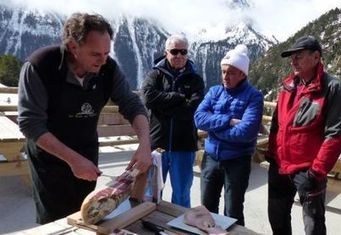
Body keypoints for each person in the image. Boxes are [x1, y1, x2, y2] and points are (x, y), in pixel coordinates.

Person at [17, 12, 152, 224]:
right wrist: (73, 160)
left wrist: (145, 144)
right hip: (49, 159)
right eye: (96, 54)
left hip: (86, 152)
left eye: (107, 53)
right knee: (56, 222)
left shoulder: (108, 69)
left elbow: (132, 104)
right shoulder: (40, 66)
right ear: (73, 47)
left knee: (89, 216)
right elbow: (30, 124)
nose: (104, 60)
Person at [266, 35, 341, 235]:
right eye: (292, 57)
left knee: (313, 226)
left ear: (316, 57)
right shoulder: (289, 86)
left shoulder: (331, 88)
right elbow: (277, 124)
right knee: (277, 219)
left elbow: (335, 136)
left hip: (308, 170)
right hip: (280, 165)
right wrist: (272, 154)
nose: (293, 61)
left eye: (299, 56)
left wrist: (316, 172)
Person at [194, 44, 263, 226]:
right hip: (211, 158)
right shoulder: (215, 91)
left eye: (231, 72)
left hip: (237, 161)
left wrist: (214, 129)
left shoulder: (253, 96)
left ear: (242, 74)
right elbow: (199, 119)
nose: (225, 76)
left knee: (233, 211)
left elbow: (245, 133)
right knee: (206, 209)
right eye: (223, 71)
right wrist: (228, 121)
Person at [141, 34, 204, 208]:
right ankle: (149, 224)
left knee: (182, 194)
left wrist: (162, 106)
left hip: (183, 147)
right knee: (151, 194)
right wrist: (178, 97)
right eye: (174, 51)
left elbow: (192, 110)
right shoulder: (155, 74)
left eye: (183, 51)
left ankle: (180, 229)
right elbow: (147, 98)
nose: (179, 56)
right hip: (157, 147)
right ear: (166, 52)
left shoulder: (196, 80)